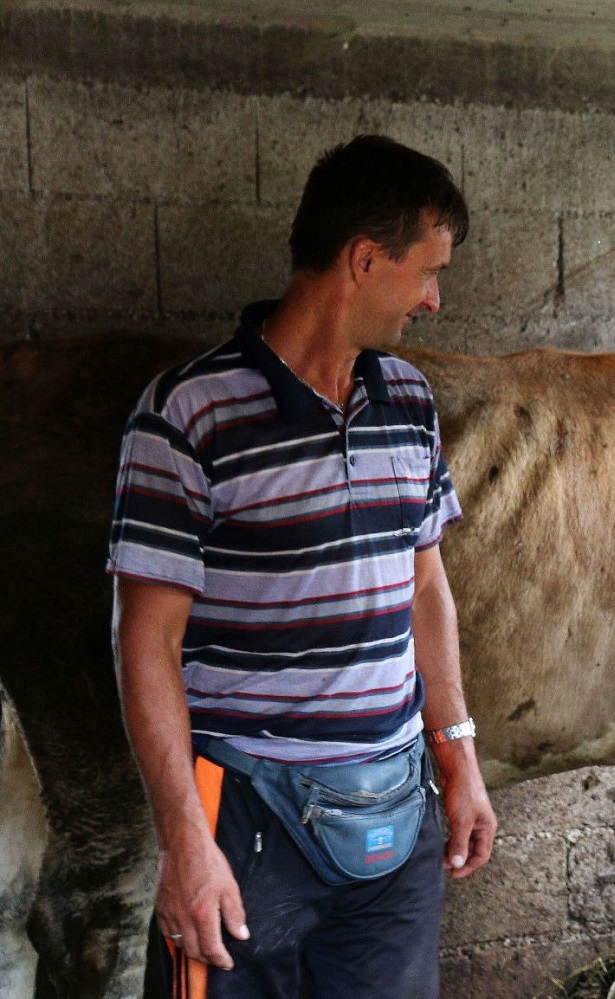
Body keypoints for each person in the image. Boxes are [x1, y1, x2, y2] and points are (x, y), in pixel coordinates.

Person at [108, 134, 496, 999]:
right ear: (364, 259)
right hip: (245, 824)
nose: (433, 301)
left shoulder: (409, 401)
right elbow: (146, 642)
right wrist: (183, 840)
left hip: (395, 823)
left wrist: (458, 757)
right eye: (428, 271)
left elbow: (426, 587)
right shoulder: (187, 414)